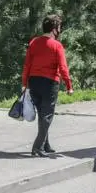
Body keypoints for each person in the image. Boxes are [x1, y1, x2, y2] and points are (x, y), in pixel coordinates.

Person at [21, 14, 74, 157]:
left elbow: (27, 65)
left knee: (42, 114)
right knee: (47, 115)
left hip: (34, 81)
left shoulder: (34, 42)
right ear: (54, 29)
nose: (60, 30)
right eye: (59, 27)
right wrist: (69, 85)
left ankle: (46, 144)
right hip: (50, 83)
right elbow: (63, 68)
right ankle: (37, 147)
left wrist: (24, 83)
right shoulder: (57, 45)